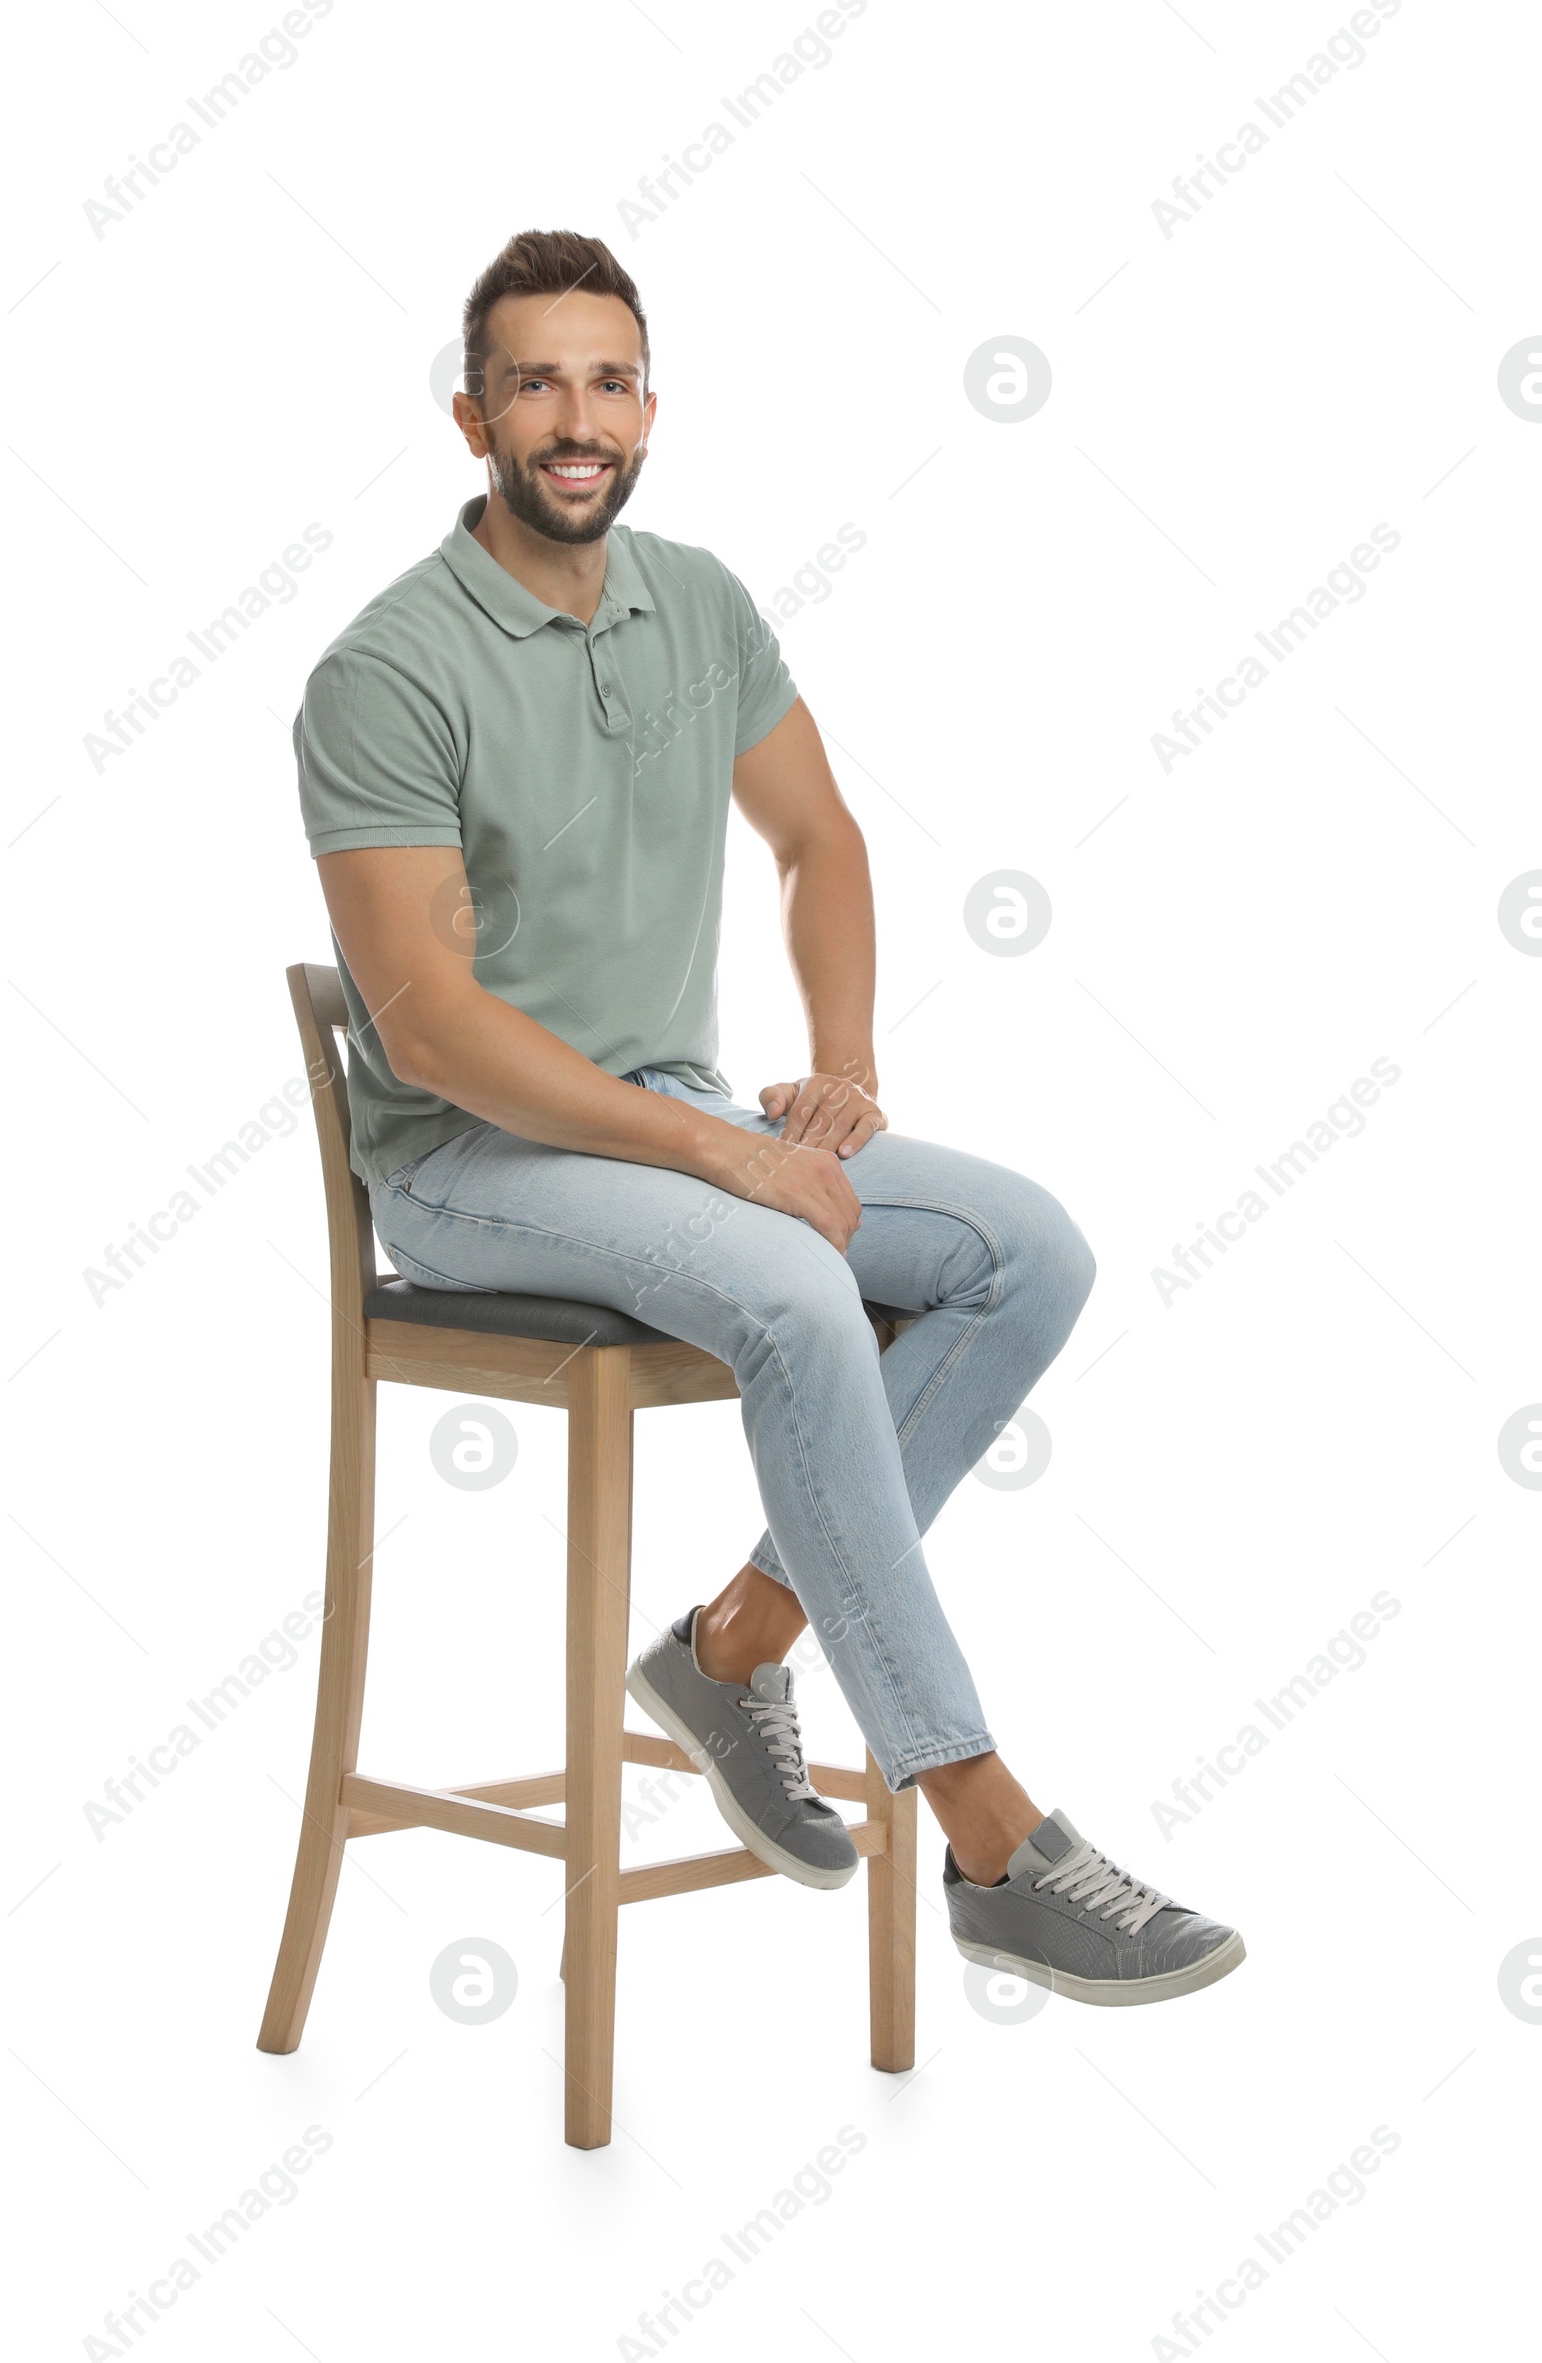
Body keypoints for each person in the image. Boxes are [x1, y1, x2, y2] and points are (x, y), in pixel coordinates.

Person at [293, 229, 1244, 2007]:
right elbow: (428, 1025)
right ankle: (989, 1833)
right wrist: (734, 1153)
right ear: (471, 416)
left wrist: (841, 1070)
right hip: (475, 1169)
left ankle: (736, 1649)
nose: (577, 417)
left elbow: (823, 844)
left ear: (648, 404)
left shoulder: (702, 602)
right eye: (536, 382)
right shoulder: (387, 670)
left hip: (663, 1122)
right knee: (801, 1288)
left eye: (609, 379)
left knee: (1024, 1253)